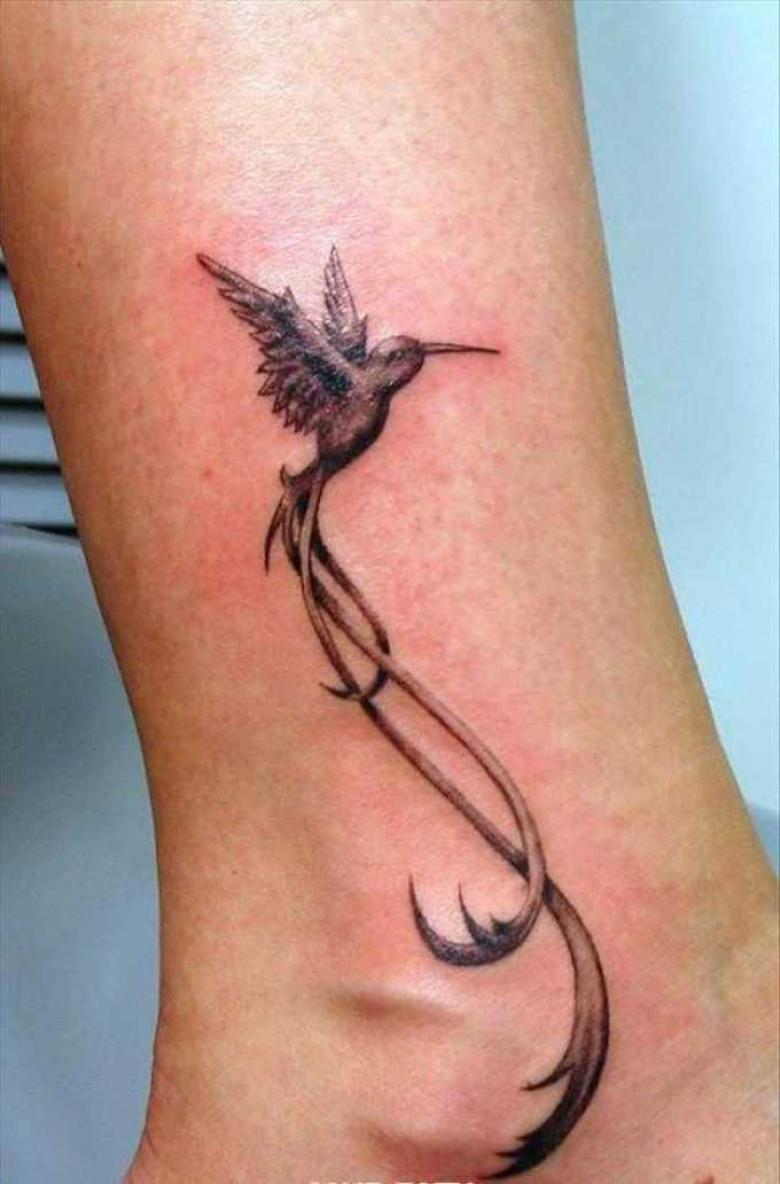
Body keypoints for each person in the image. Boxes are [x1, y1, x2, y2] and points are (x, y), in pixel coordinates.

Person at [1, 3, 776, 1182]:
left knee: (429, 1020)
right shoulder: (336, 377)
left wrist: (399, 1023)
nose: (416, 361)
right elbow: (270, 301)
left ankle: (443, 1037)